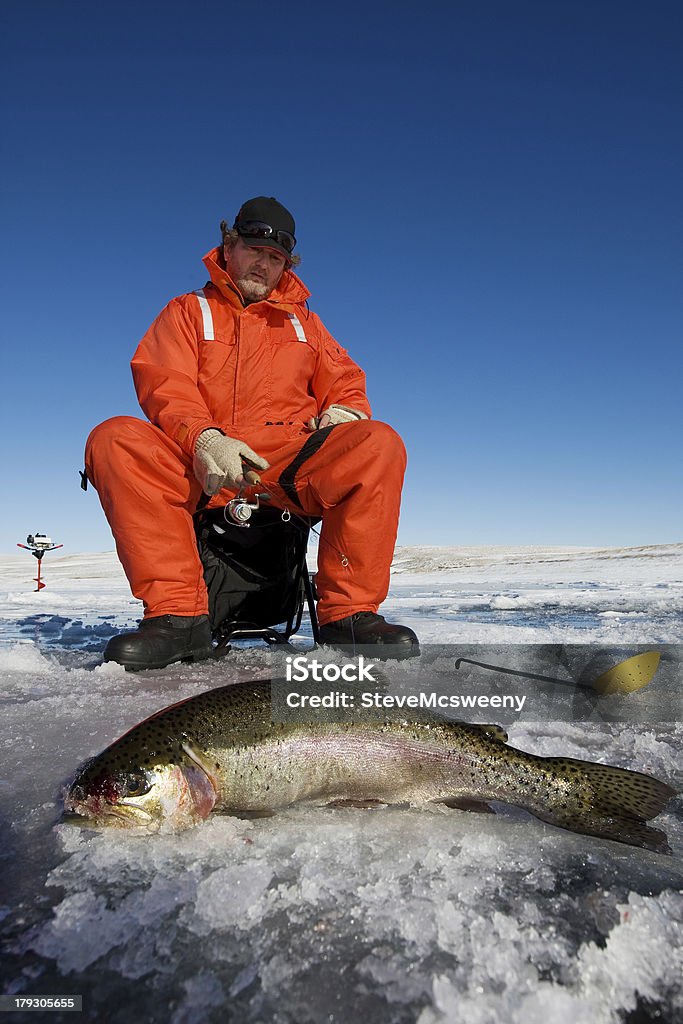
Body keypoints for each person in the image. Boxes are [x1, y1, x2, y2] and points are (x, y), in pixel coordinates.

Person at [85, 196, 418, 669]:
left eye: (276, 259)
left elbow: (345, 379)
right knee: (115, 438)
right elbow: (165, 383)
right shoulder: (187, 310)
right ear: (229, 244)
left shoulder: (305, 323)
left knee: (378, 443)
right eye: (255, 251)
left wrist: (346, 411)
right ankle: (178, 618)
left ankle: (348, 618)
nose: (263, 265)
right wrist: (204, 439)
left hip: (283, 465)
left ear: (287, 264)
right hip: (202, 462)